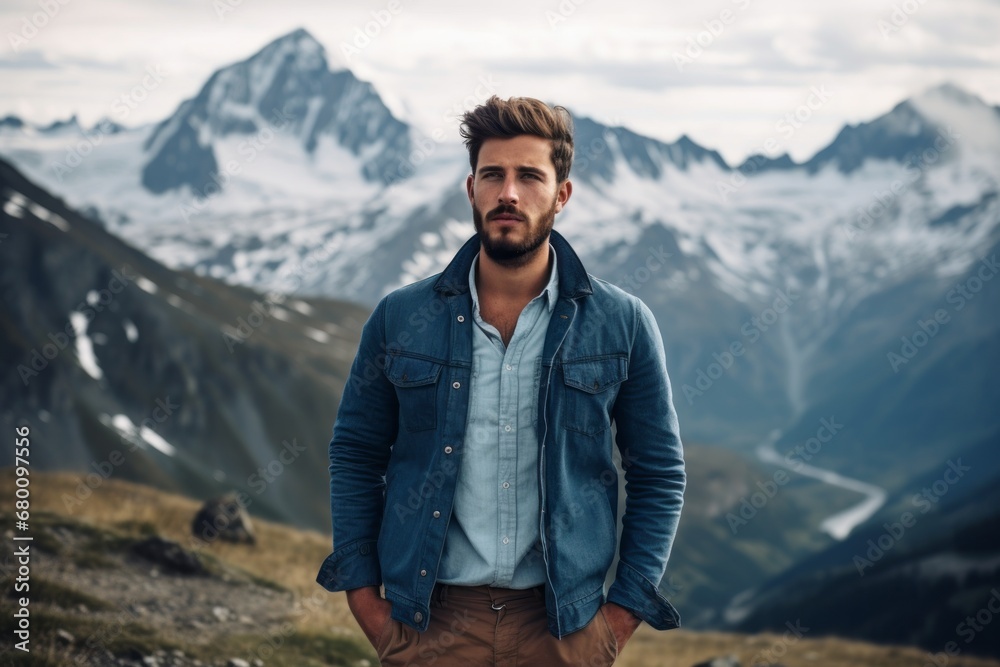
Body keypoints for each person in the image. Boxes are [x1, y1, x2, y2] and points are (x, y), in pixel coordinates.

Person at [317, 95, 686, 666]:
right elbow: (356, 454)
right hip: (429, 626)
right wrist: (366, 602)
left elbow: (659, 472)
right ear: (471, 190)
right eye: (493, 175)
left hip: (565, 629)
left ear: (561, 194)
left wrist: (619, 619)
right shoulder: (399, 317)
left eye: (529, 177)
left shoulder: (623, 323)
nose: (508, 193)